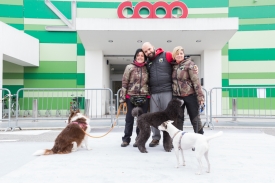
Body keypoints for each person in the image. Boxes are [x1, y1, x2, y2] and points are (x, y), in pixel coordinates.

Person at [141, 42, 173, 147]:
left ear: (153, 47)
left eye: (149, 49)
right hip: (154, 93)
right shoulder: (147, 62)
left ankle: (168, 139)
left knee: (167, 117)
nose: (148, 52)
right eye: (145, 51)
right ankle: (155, 138)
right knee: (154, 117)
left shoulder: (166, 55)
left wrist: (192, 65)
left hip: (167, 90)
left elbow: (179, 61)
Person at [119, 48, 150, 147]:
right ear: (135, 57)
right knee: (129, 119)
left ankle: (138, 139)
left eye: (142, 55)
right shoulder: (129, 67)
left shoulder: (147, 67)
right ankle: (126, 139)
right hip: (130, 97)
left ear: (144, 57)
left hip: (144, 97)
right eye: (138, 55)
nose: (140, 57)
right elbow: (124, 83)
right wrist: (122, 98)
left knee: (141, 120)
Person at [171, 46, 205, 134]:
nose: (179, 55)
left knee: (195, 119)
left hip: (190, 96)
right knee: (178, 120)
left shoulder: (190, 64)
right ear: (174, 55)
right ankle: (180, 140)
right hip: (177, 97)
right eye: (177, 54)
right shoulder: (172, 66)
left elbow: (196, 81)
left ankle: (200, 138)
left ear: (184, 54)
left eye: (181, 53)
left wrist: (200, 97)